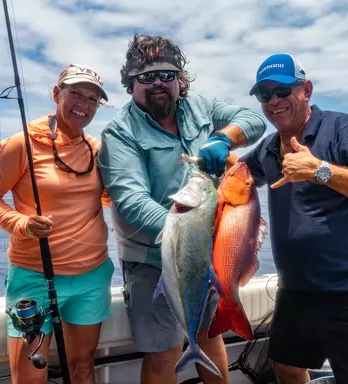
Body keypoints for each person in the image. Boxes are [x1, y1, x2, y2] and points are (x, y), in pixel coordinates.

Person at [97, 34, 267, 384]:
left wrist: (224, 137)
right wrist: (189, 231)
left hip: (207, 250)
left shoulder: (199, 107)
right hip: (152, 261)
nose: (158, 83)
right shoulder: (119, 132)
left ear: (180, 80)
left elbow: (253, 120)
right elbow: (132, 202)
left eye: (167, 75)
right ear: (130, 84)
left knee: (209, 335)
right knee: (164, 351)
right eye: (146, 77)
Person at [238, 53, 348, 384]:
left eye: (282, 90)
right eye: (264, 94)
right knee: (285, 366)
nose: (274, 101)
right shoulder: (268, 149)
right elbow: (235, 174)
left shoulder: (342, 128)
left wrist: (320, 171)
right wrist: (219, 143)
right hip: (297, 291)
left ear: (306, 90)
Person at [0, 63, 114, 384]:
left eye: (92, 99)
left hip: (92, 277)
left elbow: (110, 200)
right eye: (75, 93)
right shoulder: (21, 144)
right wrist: (21, 223)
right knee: (28, 379)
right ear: (56, 94)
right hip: (34, 277)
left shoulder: (97, 150)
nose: (83, 104)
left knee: (82, 370)